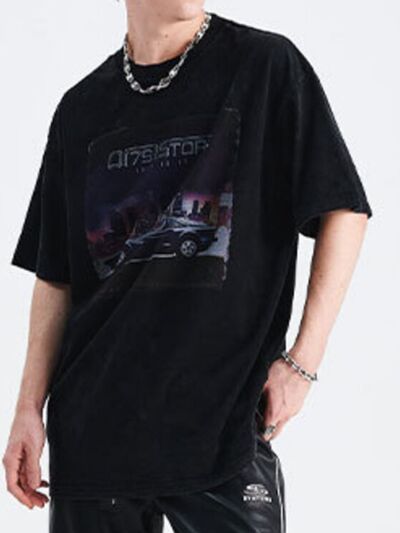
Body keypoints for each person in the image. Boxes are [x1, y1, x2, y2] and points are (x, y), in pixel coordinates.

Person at [3, 1, 372, 531]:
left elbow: (343, 209)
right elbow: (57, 276)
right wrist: (26, 409)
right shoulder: (81, 108)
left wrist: (302, 364)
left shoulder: (264, 67)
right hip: (94, 436)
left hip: (222, 430)